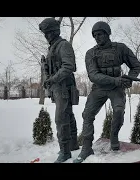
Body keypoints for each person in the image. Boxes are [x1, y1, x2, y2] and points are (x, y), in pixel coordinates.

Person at [73, 21, 140, 163]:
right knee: (87, 114)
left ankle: (114, 136)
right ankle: (86, 147)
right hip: (99, 88)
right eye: (95, 35)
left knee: (118, 110)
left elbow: (135, 66)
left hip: (117, 89)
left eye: (100, 34)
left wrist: (129, 78)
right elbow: (93, 75)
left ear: (107, 33)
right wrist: (116, 81)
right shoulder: (90, 53)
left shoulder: (120, 48)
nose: (97, 37)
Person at [39, 18, 80, 163]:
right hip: (57, 87)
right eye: (45, 33)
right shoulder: (52, 47)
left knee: (61, 118)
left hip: (64, 87)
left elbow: (69, 67)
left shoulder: (63, 45)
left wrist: (53, 79)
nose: (46, 36)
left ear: (54, 31)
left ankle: (65, 152)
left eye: (48, 33)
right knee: (67, 115)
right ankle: (72, 145)